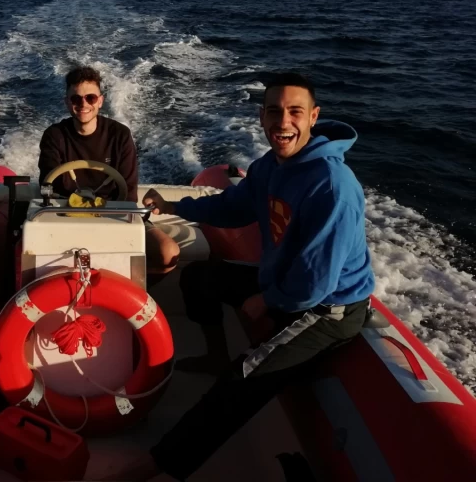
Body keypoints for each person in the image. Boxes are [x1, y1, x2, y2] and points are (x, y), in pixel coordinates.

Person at [113, 72, 375, 481]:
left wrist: (266, 300)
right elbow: (233, 207)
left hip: (329, 308)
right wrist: (175, 205)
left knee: (243, 379)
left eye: (294, 112)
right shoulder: (270, 167)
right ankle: (215, 353)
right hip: (284, 281)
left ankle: (154, 465)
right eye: (274, 111)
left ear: (313, 117)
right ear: (261, 116)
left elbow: (315, 283)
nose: (282, 122)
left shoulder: (331, 185)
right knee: (198, 279)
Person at [38, 65, 180, 275]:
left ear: (100, 101)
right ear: (67, 102)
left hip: (116, 214)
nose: (83, 104)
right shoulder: (54, 136)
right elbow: (50, 188)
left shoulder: (120, 135)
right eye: (76, 99)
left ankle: (132, 292)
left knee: (168, 252)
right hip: (67, 216)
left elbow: (128, 191)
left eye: (90, 98)